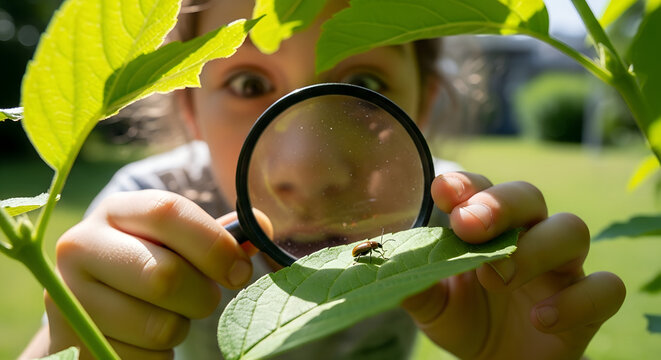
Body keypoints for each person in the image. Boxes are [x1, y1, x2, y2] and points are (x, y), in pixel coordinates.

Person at [20, 0, 626, 359]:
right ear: (185, 106)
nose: (311, 168)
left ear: (424, 103)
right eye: (250, 85)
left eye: (363, 89)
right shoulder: (141, 220)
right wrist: (67, 338)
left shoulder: (450, 231)